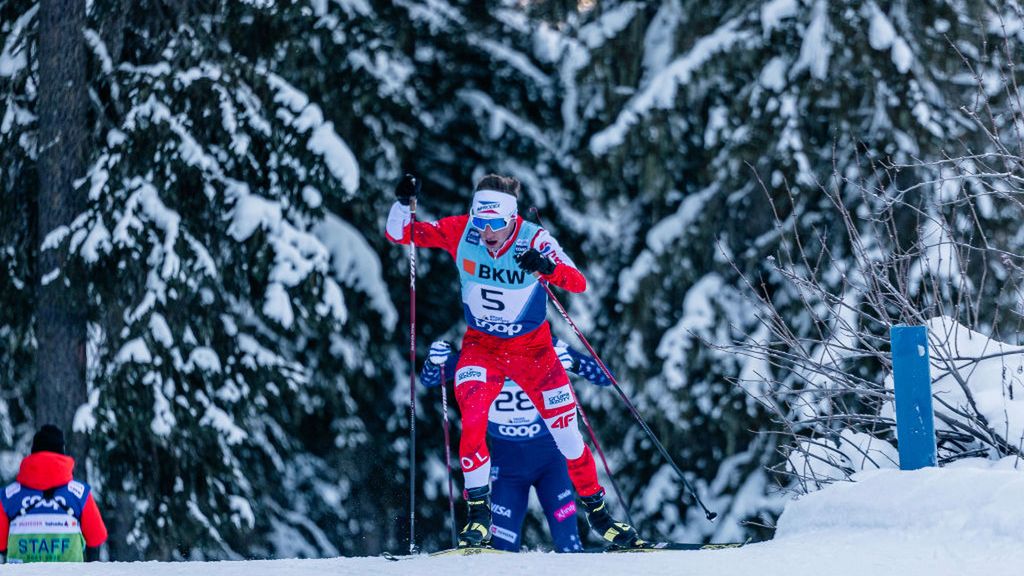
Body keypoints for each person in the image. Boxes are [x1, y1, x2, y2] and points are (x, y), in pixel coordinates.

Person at [386, 173, 643, 548]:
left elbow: (577, 282)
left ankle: (599, 514)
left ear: (512, 218)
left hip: (534, 353)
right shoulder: (463, 232)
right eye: (481, 221)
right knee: (473, 418)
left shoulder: (534, 239)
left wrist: (546, 266)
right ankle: (477, 515)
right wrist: (401, 202)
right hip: (481, 348)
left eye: (495, 223)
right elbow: (402, 234)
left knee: (568, 436)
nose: (487, 231)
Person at [420, 337, 613, 552]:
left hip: (550, 463)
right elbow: (431, 378)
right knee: (503, 549)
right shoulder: (480, 350)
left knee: (569, 545)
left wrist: (574, 363)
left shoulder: (542, 342)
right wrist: (434, 363)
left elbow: (606, 376)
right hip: (507, 468)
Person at [0, 425, 108, 563]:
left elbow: (1, 545)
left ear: (33, 453)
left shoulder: (8, 496)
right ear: (62, 453)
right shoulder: (80, 494)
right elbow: (96, 538)